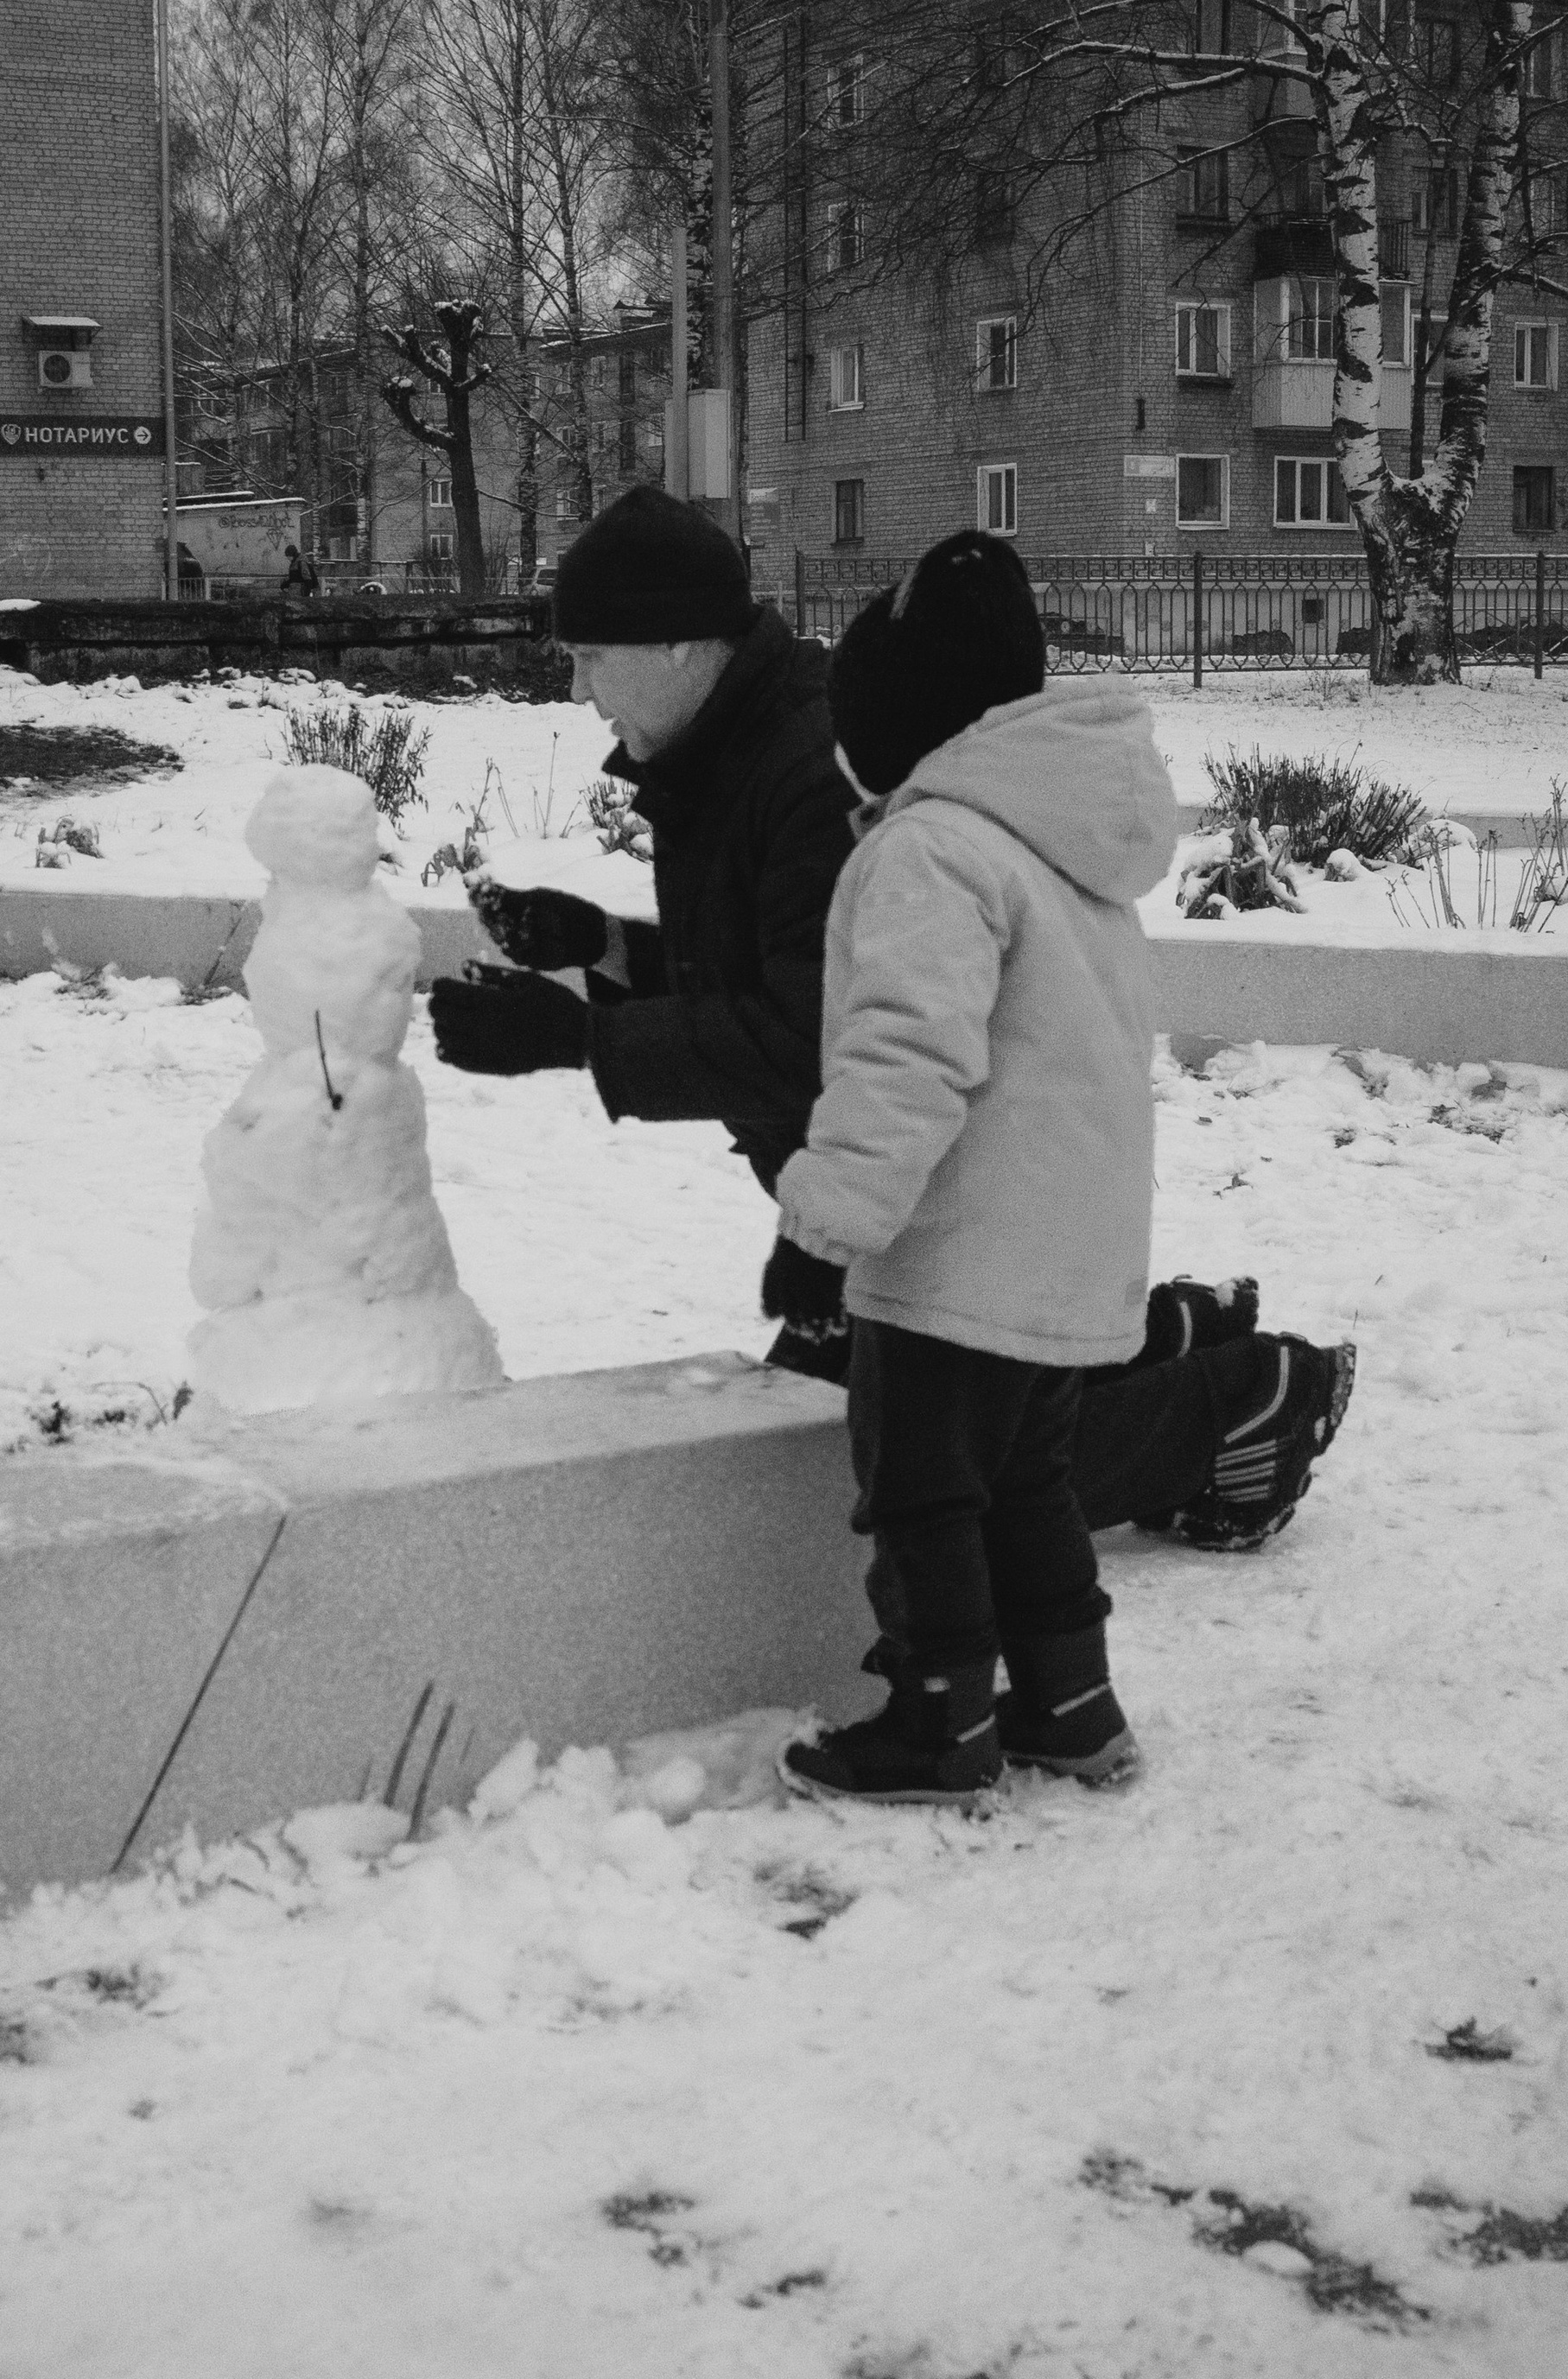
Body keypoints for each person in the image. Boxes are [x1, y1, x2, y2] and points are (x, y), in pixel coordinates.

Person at [427, 485, 1353, 1552]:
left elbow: (812, 1039)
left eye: (589, 655)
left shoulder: (818, 774)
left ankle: (1245, 1408)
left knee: (890, 1480)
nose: (577, 688)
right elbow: (767, 970)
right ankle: (1160, 1340)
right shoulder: (721, 753)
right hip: (916, 1197)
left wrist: (579, 1042)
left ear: (678, 645)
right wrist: (599, 944)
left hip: (942, 1194)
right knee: (873, 1433)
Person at [775, 533, 1171, 1799]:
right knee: (1027, 1482)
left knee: (923, 1490)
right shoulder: (1060, 839)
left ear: (904, 719)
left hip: (960, 1246)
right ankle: (1070, 1700)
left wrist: (825, 1226)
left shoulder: (932, 848)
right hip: (1069, 1246)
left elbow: (908, 1057)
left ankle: (938, 1719)